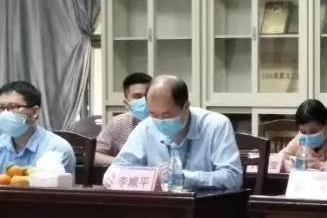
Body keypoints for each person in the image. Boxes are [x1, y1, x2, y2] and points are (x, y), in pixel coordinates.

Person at [104, 75, 242, 190]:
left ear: (186, 106)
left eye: (166, 115)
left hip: (206, 206)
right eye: (153, 114)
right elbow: (117, 168)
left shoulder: (216, 125)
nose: (159, 121)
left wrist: (186, 177)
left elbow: (233, 177)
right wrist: (114, 175)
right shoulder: (146, 127)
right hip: (160, 206)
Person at [0, 81, 76, 173]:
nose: (5, 113)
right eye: (1, 108)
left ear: (34, 112)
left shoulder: (57, 150)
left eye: (13, 107)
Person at [95, 72, 152, 165]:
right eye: (137, 97)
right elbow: (95, 155)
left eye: (148, 96)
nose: (144, 101)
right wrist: (122, 162)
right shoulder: (118, 123)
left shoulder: (165, 123)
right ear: (126, 102)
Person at [279, 99, 327, 170]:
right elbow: (280, 157)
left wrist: (318, 165)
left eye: (313, 131)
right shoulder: (300, 138)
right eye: (303, 132)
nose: (308, 136)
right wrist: (293, 164)